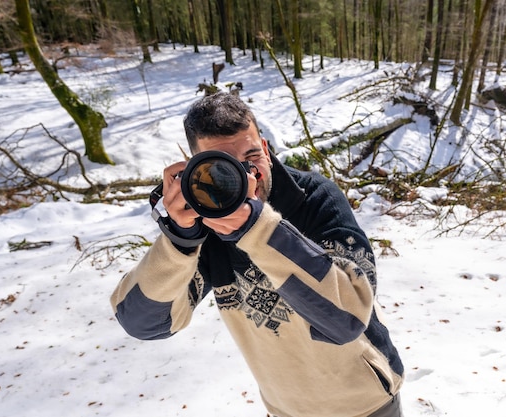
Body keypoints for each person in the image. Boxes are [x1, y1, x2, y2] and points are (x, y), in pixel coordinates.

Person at [110, 92, 405, 417]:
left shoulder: (316, 199)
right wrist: (179, 242)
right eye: (227, 167)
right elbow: (144, 323)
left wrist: (258, 228)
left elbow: (347, 318)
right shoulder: (205, 229)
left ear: (265, 147)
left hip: (366, 404)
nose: (250, 174)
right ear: (197, 167)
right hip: (282, 409)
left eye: (252, 155)